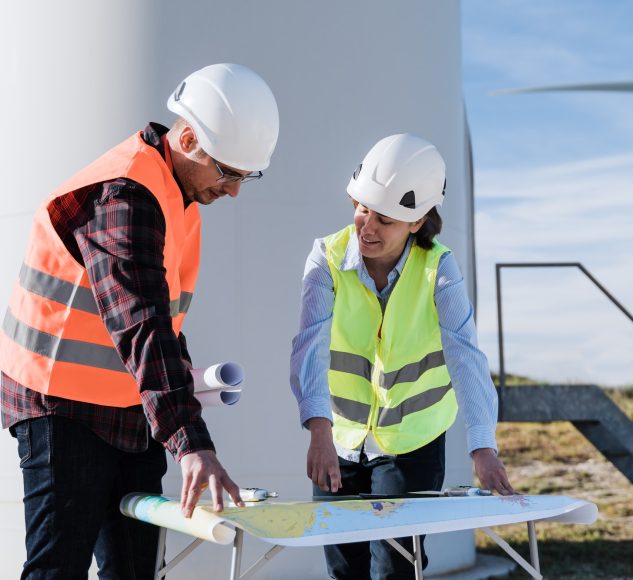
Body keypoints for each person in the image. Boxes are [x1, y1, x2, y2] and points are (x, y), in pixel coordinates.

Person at [0, 63, 279, 579]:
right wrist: (190, 441)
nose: (236, 191)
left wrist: (187, 388)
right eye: (230, 173)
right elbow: (141, 323)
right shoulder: (124, 195)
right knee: (58, 569)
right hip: (60, 406)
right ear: (189, 137)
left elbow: (163, 319)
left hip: (128, 409)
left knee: (134, 570)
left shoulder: (179, 199)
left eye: (246, 176)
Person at [290, 133, 515, 579]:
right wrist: (318, 428)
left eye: (385, 219)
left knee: (394, 568)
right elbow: (309, 345)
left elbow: (464, 353)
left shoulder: (439, 268)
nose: (367, 227)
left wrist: (483, 446)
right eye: (362, 209)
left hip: (412, 441)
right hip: (340, 436)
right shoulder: (326, 258)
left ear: (416, 222)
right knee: (342, 569)